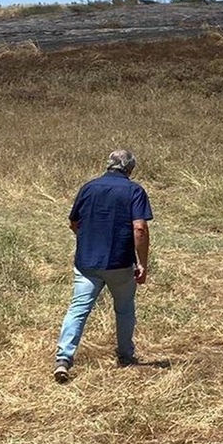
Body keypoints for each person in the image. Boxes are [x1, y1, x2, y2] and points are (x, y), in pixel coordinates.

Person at [53, 150, 153, 383]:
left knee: (78, 309)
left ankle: (63, 359)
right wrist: (142, 263)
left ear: (108, 165)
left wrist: (88, 240)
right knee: (125, 308)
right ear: (130, 169)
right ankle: (126, 355)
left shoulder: (88, 187)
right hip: (119, 263)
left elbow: (74, 222)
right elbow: (140, 228)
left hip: (87, 262)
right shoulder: (134, 191)